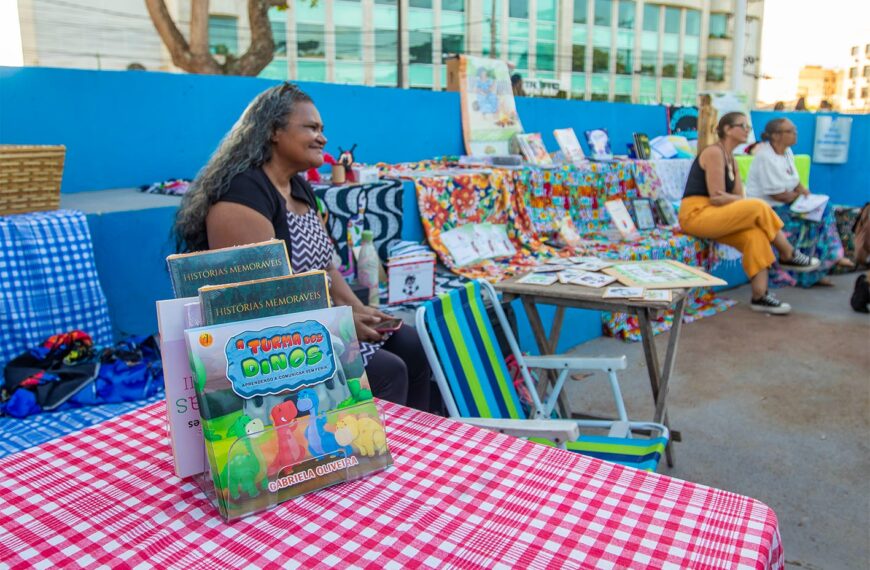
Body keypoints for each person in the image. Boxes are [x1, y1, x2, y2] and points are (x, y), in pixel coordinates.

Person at [174, 82, 435, 412]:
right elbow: (259, 307)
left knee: (412, 343)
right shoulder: (241, 199)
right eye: (311, 127)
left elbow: (325, 266)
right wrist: (337, 324)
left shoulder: (298, 187)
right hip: (271, 348)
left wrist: (358, 309)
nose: (323, 138)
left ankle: (419, 445)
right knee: (387, 372)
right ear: (273, 132)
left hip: (314, 325)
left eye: (322, 129)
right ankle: (366, 455)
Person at [678, 112, 820, 315]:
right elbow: (718, 197)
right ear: (727, 129)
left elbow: (734, 197)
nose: (748, 130)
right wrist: (738, 200)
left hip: (715, 214)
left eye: (748, 126)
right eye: (742, 126)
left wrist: (736, 200)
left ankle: (760, 296)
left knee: (755, 235)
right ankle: (788, 253)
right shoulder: (713, 153)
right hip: (696, 214)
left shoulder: (732, 160)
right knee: (758, 206)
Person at [746, 118, 853, 287]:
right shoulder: (765, 157)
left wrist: (806, 194)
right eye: (790, 131)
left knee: (824, 208)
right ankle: (831, 257)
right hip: (769, 209)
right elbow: (777, 195)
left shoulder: (787, 152)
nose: (795, 134)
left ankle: (819, 268)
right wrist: (802, 199)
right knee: (817, 217)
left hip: (787, 203)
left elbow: (795, 181)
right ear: (776, 136)